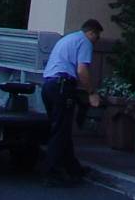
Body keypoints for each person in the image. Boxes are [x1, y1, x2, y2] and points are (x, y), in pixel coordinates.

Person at [40, 17, 103, 184]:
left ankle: (73, 168)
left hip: (48, 86)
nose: (96, 42)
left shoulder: (68, 38)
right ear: (91, 32)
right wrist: (91, 92)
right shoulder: (85, 42)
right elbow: (82, 70)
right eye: (97, 38)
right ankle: (51, 173)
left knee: (62, 128)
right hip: (62, 86)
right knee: (60, 131)